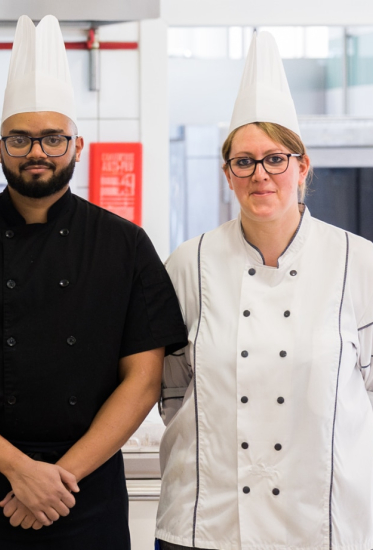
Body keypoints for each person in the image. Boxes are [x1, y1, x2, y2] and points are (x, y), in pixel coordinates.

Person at [0, 15, 187, 548]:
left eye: (52, 139)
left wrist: (56, 478)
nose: (37, 152)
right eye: (20, 139)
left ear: (77, 145)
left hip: (84, 490)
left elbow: (143, 380)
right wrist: (21, 470)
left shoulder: (125, 245)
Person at [155, 31, 373, 550]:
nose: (261, 174)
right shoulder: (190, 262)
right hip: (207, 524)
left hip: (326, 523)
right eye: (244, 161)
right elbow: (170, 393)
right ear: (228, 174)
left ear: (302, 167)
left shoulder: (358, 263)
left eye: (275, 159)